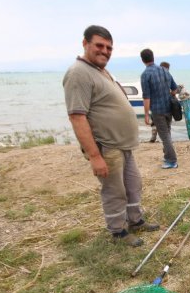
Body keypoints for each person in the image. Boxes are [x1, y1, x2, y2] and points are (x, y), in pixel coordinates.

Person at [63, 25, 159, 247]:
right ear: (85, 43)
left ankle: (135, 220)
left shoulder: (100, 70)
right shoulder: (78, 73)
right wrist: (95, 156)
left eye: (109, 48)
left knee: (133, 185)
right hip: (107, 147)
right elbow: (77, 117)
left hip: (123, 145)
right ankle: (117, 231)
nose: (104, 51)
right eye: (99, 45)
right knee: (115, 191)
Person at [140, 48, 179, 169]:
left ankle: (171, 160)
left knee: (164, 135)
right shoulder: (164, 70)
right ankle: (168, 155)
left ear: (142, 60)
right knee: (167, 132)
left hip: (157, 110)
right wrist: (168, 95)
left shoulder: (145, 75)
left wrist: (146, 114)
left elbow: (146, 97)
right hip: (168, 107)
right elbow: (175, 89)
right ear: (153, 57)